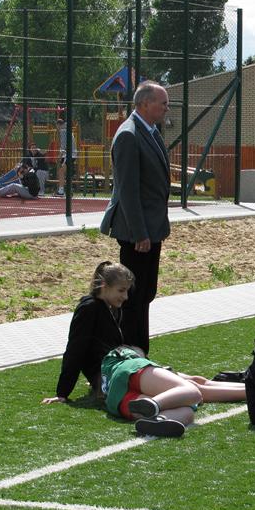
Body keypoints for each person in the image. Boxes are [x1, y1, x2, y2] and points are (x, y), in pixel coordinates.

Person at [100, 81, 172, 355]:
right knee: (131, 297)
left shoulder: (150, 131)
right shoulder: (129, 135)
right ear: (144, 104)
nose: (166, 108)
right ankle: (130, 353)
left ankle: (140, 352)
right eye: (162, 103)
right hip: (137, 234)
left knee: (145, 294)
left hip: (151, 229)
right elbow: (128, 190)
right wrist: (140, 232)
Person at [102, 345, 247, 437]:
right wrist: (250, 392)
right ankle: (154, 404)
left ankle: (159, 419)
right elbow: (199, 389)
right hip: (131, 370)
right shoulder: (130, 358)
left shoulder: (107, 373)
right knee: (193, 392)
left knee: (187, 413)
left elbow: (199, 381)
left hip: (116, 400)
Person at [41, 261, 134, 405]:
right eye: (121, 290)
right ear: (104, 285)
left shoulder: (112, 307)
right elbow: (75, 349)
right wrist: (62, 393)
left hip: (119, 369)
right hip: (110, 376)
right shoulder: (89, 308)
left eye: (127, 290)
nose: (126, 296)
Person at [55, 118, 78, 196]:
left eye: (56, 125)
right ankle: (69, 190)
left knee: (61, 172)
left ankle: (61, 191)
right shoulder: (67, 130)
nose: (57, 128)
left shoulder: (63, 131)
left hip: (69, 155)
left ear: (58, 125)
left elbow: (63, 145)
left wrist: (59, 155)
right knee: (67, 173)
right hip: (70, 154)